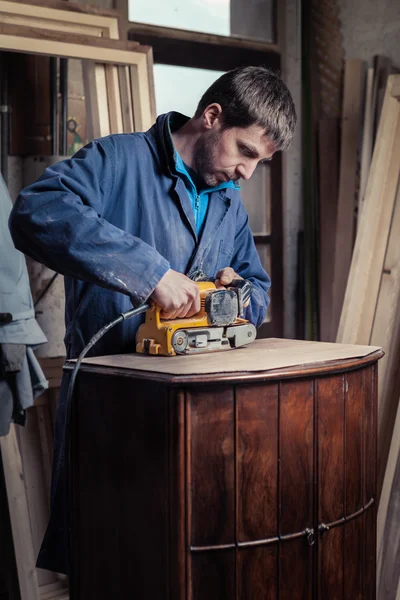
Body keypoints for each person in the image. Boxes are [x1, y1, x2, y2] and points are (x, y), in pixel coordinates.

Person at [9, 65, 296, 574]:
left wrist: (238, 294)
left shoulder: (229, 203)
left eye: (261, 163)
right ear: (212, 117)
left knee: (183, 558)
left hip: (197, 414)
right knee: (111, 554)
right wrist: (150, 274)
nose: (248, 173)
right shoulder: (117, 160)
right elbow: (35, 211)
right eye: (246, 152)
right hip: (113, 401)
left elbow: (259, 289)